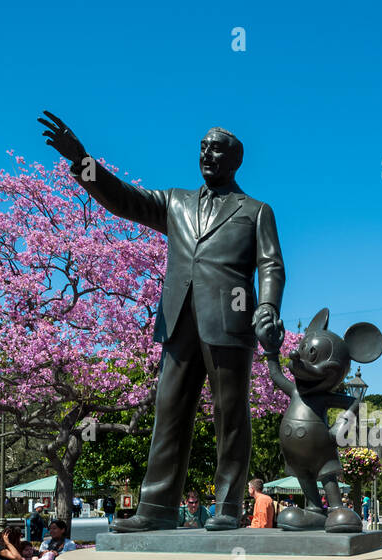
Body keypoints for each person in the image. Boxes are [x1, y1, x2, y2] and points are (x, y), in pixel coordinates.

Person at [41, 113, 284, 532]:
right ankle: (156, 509)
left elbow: (271, 265)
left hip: (229, 321)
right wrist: (82, 160)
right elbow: (123, 199)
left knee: (231, 415)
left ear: (236, 161)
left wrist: (267, 307)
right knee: (168, 411)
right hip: (178, 320)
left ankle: (228, 506)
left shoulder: (255, 210)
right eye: (203, 147)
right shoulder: (176, 202)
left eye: (218, 149)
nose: (208, 154)